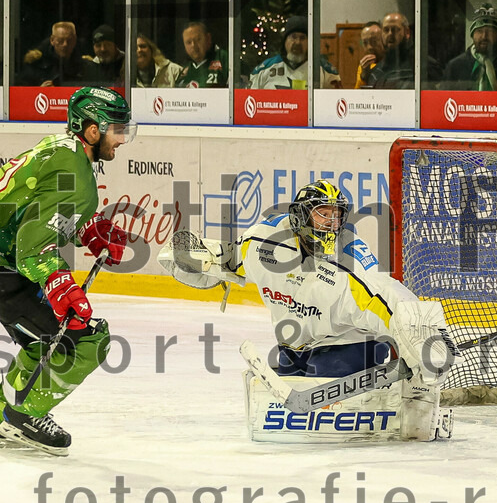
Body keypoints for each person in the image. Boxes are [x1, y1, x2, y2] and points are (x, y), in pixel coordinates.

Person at [158, 180, 455, 442]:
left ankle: (401, 393)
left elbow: (387, 295)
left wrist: (426, 335)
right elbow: (231, 260)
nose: (331, 223)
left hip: (351, 346)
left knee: (319, 383)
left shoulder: (350, 261)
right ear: (301, 215)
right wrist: (195, 258)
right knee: (281, 378)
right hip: (294, 347)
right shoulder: (263, 244)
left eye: (336, 216)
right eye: (322, 213)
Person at [0, 86, 136, 456]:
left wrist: (89, 230)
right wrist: (60, 284)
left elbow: (37, 212)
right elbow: (31, 241)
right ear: (92, 130)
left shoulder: (62, 151)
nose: (121, 140)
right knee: (85, 341)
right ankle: (24, 415)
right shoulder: (74, 167)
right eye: (116, 130)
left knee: (41, 340)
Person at [442, 3, 497, 91]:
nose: (484, 36)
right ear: (472, 35)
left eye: (490, 31)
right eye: (479, 31)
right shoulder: (455, 67)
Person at [248, 15, 341, 90]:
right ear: (285, 40)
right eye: (293, 37)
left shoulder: (325, 71)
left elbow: (334, 104)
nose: (297, 42)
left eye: (302, 38)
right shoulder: (263, 70)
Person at [19, 21, 88, 87]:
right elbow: (21, 94)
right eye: (60, 41)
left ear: (75, 40)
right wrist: (39, 91)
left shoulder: (85, 66)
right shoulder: (36, 66)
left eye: (69, 40)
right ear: (52, 40)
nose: (65, 44)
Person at [366, 12, 415, 89]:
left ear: (407, 32)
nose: (390, 34)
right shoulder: (376, 71)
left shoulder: (420, 67)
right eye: (386, 30)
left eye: (395, 29)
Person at [174, 21, 228, 88]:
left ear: (208, 38)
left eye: (198, 39)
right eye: (188, 42)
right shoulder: (184, 69)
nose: (193, 45)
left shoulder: (224, 58)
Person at [355, 21, 385, 89]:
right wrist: (363, 77)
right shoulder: (364, 66)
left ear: (384, 40)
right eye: (365, 43)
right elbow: (357, 96)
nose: (369, 47)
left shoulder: (393, 63)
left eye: (374, 42)